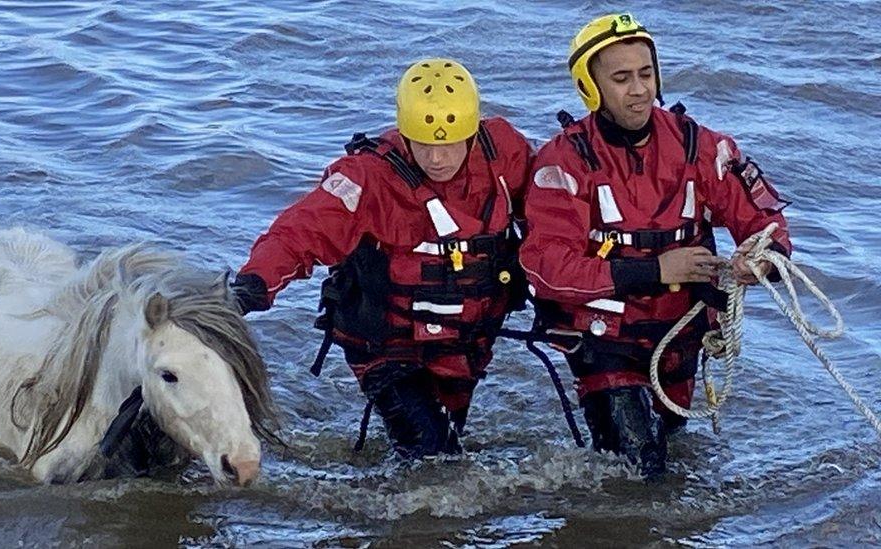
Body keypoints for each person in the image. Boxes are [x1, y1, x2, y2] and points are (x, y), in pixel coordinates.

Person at [520, 13, 793, 475]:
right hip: (604, 342)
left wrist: (760, 259)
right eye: (621, 78)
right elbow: (546, 268)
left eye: (646, 74)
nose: (639, 90)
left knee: (670, 468)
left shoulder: (700, 146)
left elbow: (767, 222)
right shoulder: (562, 162)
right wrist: (654, 271)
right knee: (641, 471)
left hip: (679, 339)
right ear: (591, 87)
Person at [230, 58, 534, 459]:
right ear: (404, 133)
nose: (437, 159)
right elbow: (300, 230)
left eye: (448, 144)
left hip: (465, 343)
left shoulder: (503, 155)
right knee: (431, 452)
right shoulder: (366, 177)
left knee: (442, 444)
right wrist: (251, 285)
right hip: (386, 345)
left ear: (473, 133)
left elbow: (557, 214)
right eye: (423, 144)